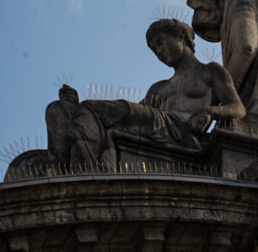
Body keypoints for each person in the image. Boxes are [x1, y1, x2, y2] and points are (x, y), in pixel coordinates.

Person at [41, 19, 246, 170]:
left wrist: (210, 111)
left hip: (181, 132)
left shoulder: (210, 71)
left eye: (160, 42)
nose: (158, 51)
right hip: (157, 128)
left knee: (103, 109)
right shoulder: (158, 88)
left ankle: (69, 159)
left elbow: (238, 108)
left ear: (181, 37)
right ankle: (65, 159)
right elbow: (132, 119)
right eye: (154, 49)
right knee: (66, 110)